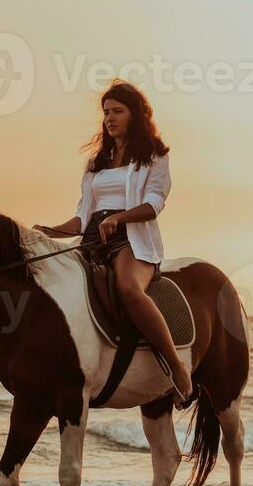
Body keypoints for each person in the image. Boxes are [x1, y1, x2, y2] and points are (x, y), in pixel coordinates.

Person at [36, 81, 191, 403]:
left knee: (128, 288)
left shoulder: (154, 157)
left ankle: (176, 367)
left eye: (117, 111)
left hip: (132, 242)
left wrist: (118, 218)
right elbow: (81, 217)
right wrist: (47, 232)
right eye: (106, 112)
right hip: (92, 238)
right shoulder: (96, 163)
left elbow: (154, 204)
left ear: (136, 114)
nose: (109, 118)